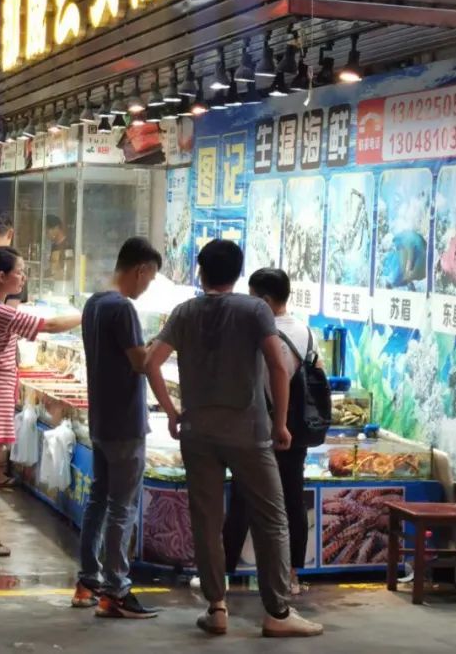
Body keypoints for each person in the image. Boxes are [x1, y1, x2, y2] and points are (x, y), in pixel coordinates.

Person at [144, 240, 323, 638]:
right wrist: (280, 423)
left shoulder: (185, 312)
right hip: (249, 432)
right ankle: (277, 612)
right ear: (238, 274)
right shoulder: (254, 310)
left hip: (197, 433)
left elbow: (151, 362)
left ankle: (216, 608)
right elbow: (277, 366)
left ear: (201, 271)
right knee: (271, 518)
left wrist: (172, 412)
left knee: (207, 521)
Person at [75, 238, 177, 620]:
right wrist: (164, 341)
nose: (147, 286)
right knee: (122, 507)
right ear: (141, 270)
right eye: (149, 278)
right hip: (125, 422)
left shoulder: (94, 303)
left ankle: (88, 581)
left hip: (101, 419)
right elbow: (140, 363)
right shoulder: (123, 308)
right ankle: (116, 590)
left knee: (99, 501)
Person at [0, 247, 81, 556]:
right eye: (20, 271)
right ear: (2, 276)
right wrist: (88, 313)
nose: (24, 277)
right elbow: (49, 326)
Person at [224, 268, 323, 597]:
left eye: (253, 297)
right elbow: (317, 372)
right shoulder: (306, 332)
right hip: (295, 430)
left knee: (242, 499)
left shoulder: (256, 332)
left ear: (265, 301)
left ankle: (225, 570)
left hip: (258, 428)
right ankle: (292, 574)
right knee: (292, 500)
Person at [45, 214, 73, 284]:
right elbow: (53, 269)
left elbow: (68, 272)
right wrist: (40, 275)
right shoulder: (54, 246)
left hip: (63, 285)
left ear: (56, 228)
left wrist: (50, 278)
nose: (46, 235)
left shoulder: (67, 246)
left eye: (47, 232)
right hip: (54, 284)